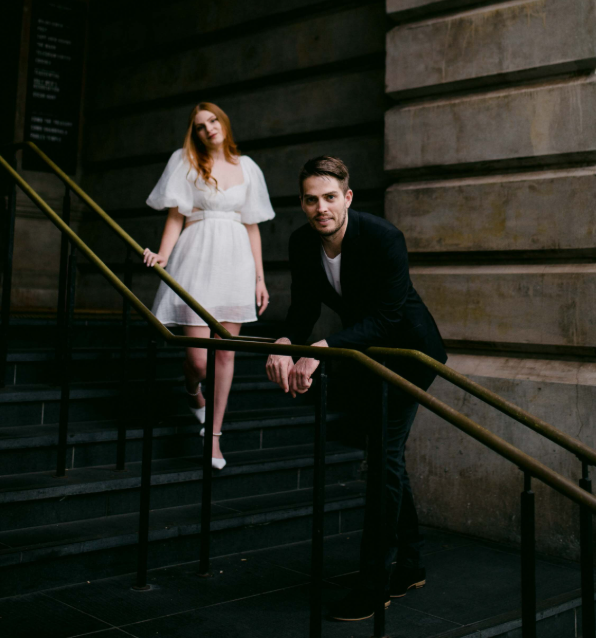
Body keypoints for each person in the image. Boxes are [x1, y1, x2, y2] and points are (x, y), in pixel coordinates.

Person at [265, 155, 447, 621]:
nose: (320, 208)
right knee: (387, 455)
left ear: (347, 197)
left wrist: (320, 350)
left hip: (409, 353)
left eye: (329, 197)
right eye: (311, 199)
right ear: (302, 203)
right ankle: (409, 563)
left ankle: (373, 585)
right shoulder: (302, 242)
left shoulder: (384, 237)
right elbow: (304, 306)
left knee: (383, 457)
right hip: (366, 355)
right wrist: (285, 342)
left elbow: (387, 316)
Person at [143, 102, 275, 470]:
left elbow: (252, 225)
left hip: (236, 264)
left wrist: (260, 279)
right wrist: (164, 256)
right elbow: (175, 216)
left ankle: (214, 438)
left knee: (226, 353)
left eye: (213, 120)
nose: (208, 128)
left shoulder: (247, 166)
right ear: (195, 133)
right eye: (200, 125)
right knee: (198, 359)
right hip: (197, 259)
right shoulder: (185, 161)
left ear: (224, 122)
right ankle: (192, 390)